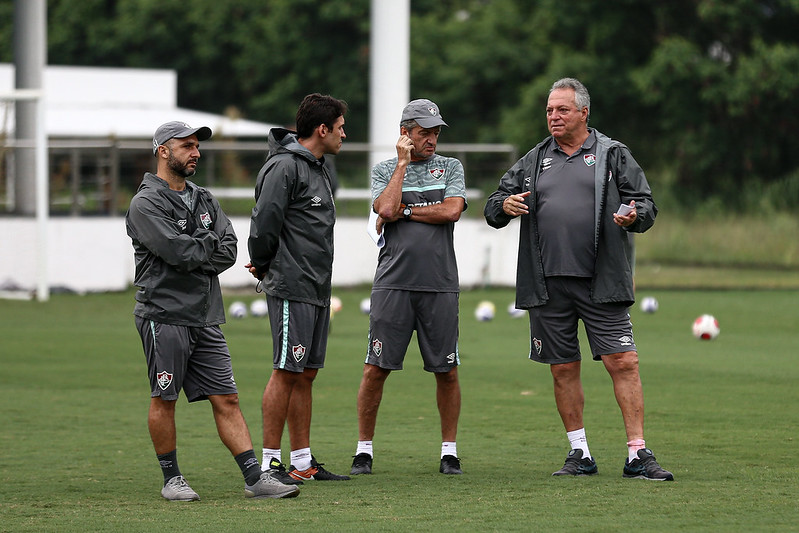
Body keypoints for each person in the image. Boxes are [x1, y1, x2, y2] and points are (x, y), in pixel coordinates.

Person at [484, 78, 674, 481]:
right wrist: (506, 203)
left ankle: (637, 454)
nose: (553, 116)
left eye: (562, 110)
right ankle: (580, 453)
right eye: (550, 110)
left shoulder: (612, 154)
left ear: (583, 113)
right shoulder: (535, 159)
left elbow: (647, 205)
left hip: (601, 281)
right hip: (547, 283)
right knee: (562, 368)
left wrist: (633, 214)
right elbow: (492, 206)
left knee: (623, 361)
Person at [126, 121, 299, 501]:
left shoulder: (203, 197)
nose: (196, 152)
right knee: (164, 397)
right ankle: (172, 479)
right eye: (186, 145)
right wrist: (201, 246)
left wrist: (195, 248)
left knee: (228, 398)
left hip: (206, 316)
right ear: (163, 151)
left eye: (197, 146)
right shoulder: (145, 204)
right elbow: (178, 253)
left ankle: (255, 478)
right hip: (164, 315)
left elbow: (229, 249)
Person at [350, 99, 467, 476]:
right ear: (406, 134)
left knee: (446, 371)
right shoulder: (385, 168)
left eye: (435, 132)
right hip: (393, 285)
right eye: (423, 133)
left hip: (440, 285)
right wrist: (401, 166)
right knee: (375, 369)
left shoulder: (450, 166)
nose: (431, 139)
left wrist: (408, 211)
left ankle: (449, 451)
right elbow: (384, 209)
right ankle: (363, 450)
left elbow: (451, 211)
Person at [247, 94, 351, 483]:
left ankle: (303, 463)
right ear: (322, 130)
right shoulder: (284, 167)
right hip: (291, 285)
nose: (345, 134)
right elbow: (264, 224)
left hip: (317, 287)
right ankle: (270, 463)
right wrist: (263, 264)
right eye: (340, 127)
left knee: (306, 374)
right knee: (285, 371)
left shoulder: (320, 167)